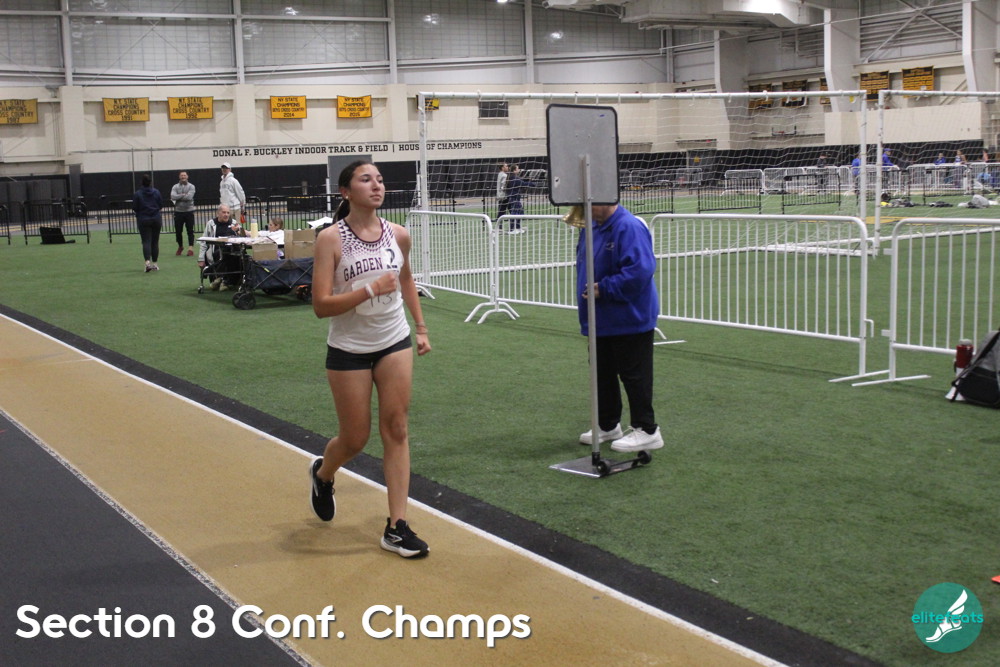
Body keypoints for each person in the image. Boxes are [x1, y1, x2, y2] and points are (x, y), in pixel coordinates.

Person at [309, 159, 432, 559]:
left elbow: (406, 279)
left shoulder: (399, 235)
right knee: (355, 439)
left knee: (396, 428)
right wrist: (368, 290)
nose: (377, 185)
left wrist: (420, 326)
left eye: (379, 179)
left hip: (394, 341)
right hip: (349, 349)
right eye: (366, 180)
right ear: (346, 191)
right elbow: (321, 305)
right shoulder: (330, 239)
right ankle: (323, 473)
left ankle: (397, 526)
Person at [575, 202, 663, 453]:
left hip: (630, 317)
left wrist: (604, 288)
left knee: (635, 375)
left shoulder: (629, 226)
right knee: (601, 373)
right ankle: (608, 424)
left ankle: (647, 430)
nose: (583, 208)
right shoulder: (591, 227)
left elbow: (640, 271)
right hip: (599, 317)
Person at [197, 204, 245, 291]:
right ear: (218, 213)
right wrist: (201, 258)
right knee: (223, 255)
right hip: (215, 252)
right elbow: (203, 242)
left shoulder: (234, 223)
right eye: (224, 212)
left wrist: (238, 231)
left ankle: (223, 279)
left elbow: (243, 236)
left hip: (231, 251)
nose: (226, 215)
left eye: (228, 213)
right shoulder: (211, 224)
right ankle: (224, 279)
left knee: (237, 255)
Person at [132, 173, 163, 273]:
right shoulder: (156, 192)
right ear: (150, 182)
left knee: (146, 241)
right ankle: (155, 264)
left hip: (143, 219)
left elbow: (135, 207)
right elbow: (160, 205)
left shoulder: (137, 194)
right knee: (155, 242)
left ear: (141, 182)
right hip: (156, 218)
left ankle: (147, 263)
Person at [170, 171, 196, 256]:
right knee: (178, 231)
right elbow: (172, 196)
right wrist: (183, 195)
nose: (183, 177)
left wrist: (179, 196)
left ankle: (190, 248)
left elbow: (189, 197)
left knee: (190, 231)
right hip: (178, 212)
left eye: (184, 175)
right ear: (179, 177)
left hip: (189, 212)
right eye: (181, 175)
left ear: (187, 176)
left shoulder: (191, 186)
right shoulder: (175, 186)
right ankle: (180, 246)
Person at [504, 164, 533, 234]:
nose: (519, 170)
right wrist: (532, 184)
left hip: (515, 198)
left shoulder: (512, 177)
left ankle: (517, 227)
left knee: (520, 212)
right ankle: (512, 229)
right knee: (514, 213)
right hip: (513, 198)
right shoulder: (514, 178)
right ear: (514, 170)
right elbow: (523, 183)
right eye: (517, 169)